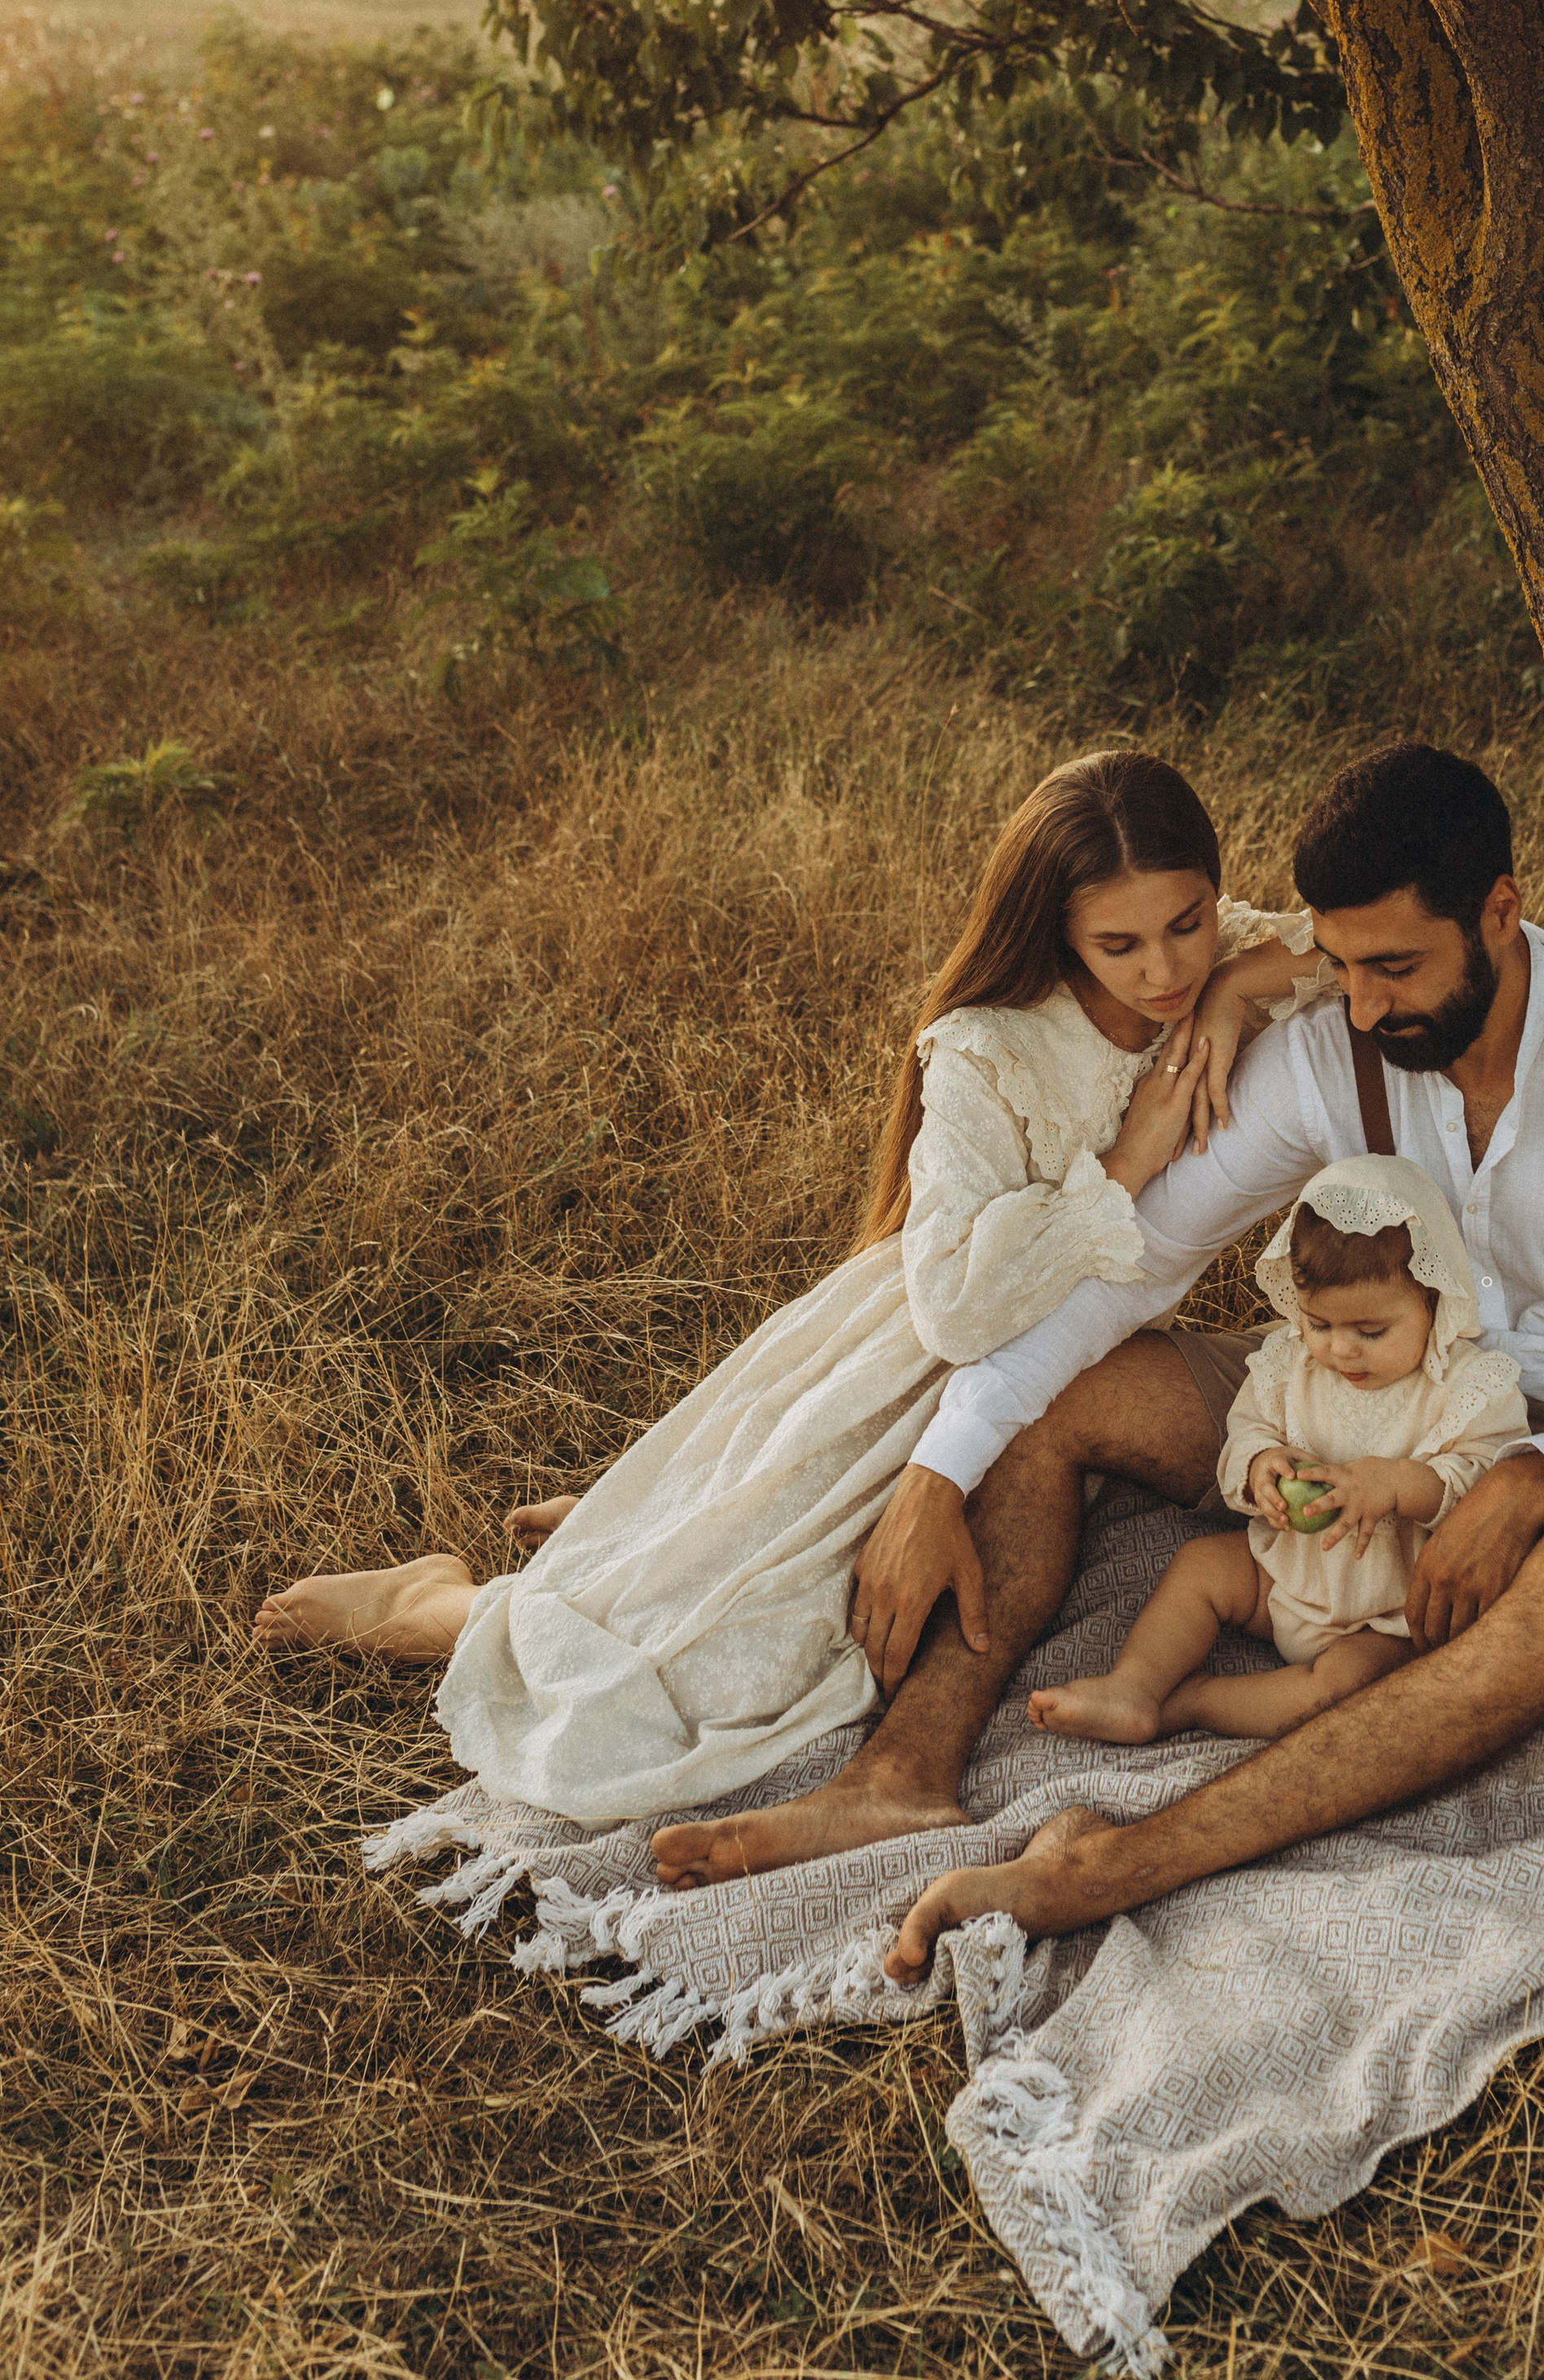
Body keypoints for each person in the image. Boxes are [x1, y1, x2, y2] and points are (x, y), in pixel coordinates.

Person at [640, 742, 1544, 1961]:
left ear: (1501, 912)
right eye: (1337, 964)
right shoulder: (1339, 1043)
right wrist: (937, 1473)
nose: (1358, 1006)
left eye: (1395, 967)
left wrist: (1534, 1478)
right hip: (1363, 1387)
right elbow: (1133, 1263)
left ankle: (1116, 1860)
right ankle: (901, 1772)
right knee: (1067, 1393)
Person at [252, 751, 1327, 1840]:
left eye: (1187, 923)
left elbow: (1352, 950)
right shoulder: (992, 1048)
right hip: (909, 1363)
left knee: (759, 1590)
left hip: (1051, 1369)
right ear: (1055, 931)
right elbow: (956, 1306)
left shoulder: (1228, 953)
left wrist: (1237, 985)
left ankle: (655, 1526)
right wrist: (1129, 1163)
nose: (1164, 969)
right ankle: (432, 1604)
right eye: (1121, 944)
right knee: (729, 1676)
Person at [1029, 1153, 1529, 1744]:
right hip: (1285, 1576)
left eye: (1370, 1332)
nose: (1341, 1350)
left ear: (1433, 1299)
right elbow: (1248, 1432)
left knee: (1342, 1689)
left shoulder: (1466, 1386)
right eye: (1320, 1324)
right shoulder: (1289, 1366)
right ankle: (1133, 1685)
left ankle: (1194, 1703)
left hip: (1387, 1613)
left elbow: (1487, 1480)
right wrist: (1262, 1467)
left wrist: (1397, 1485)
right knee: (1199, 1568)